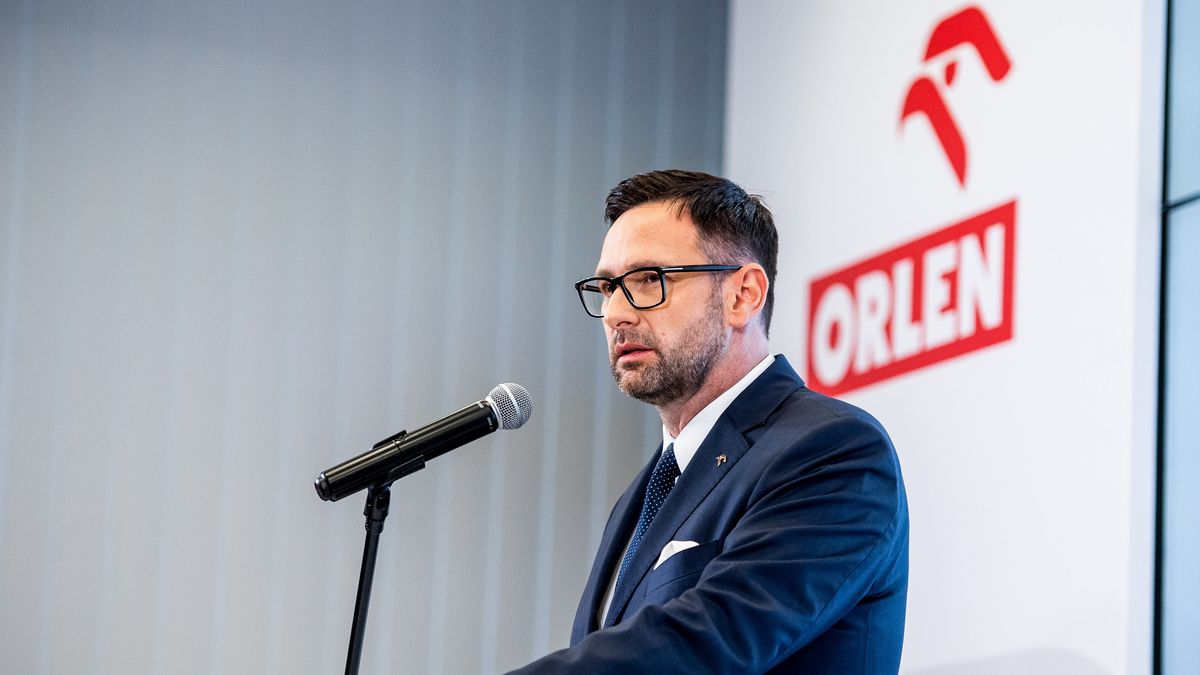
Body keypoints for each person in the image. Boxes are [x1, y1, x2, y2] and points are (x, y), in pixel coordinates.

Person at [511, 170, 908, 674]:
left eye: (648, 280)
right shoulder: (646, 490)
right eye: (608, 286)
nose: (615, 313)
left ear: (743, 294)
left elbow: (711, 637)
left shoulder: (834, 450)